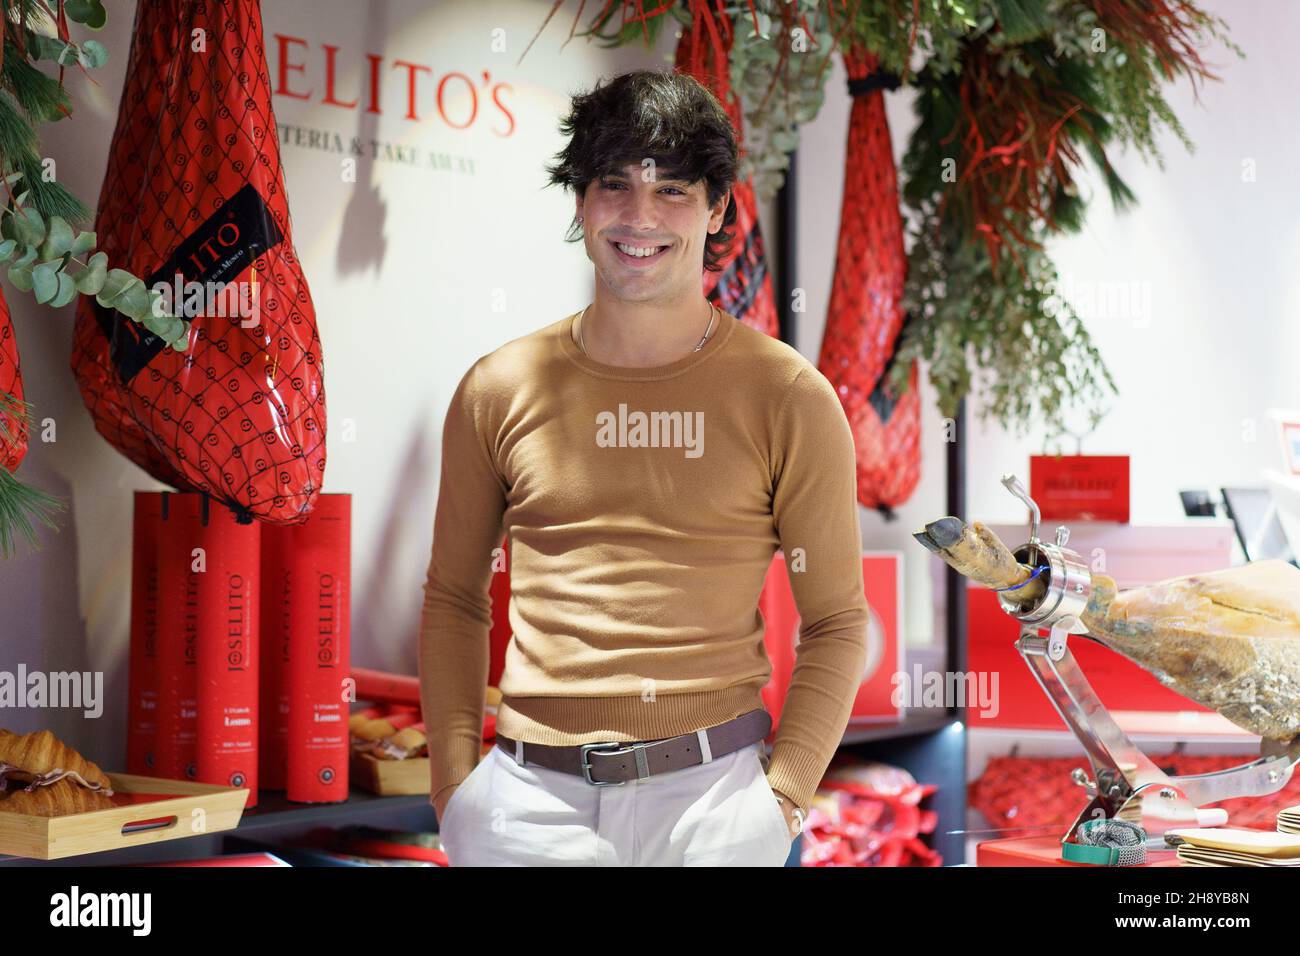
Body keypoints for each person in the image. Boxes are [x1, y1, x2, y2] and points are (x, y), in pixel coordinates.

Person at [418, 68, 868, 866]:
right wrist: (456, 791)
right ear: (581, 202)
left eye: (673, 192)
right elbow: (455, 599)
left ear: (718, 206)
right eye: (614, 185)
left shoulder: (788, 395)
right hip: (525, 810)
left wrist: (783, 799)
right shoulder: (497, 388)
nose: (639, 217)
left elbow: (837, 621)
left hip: (716, 806)